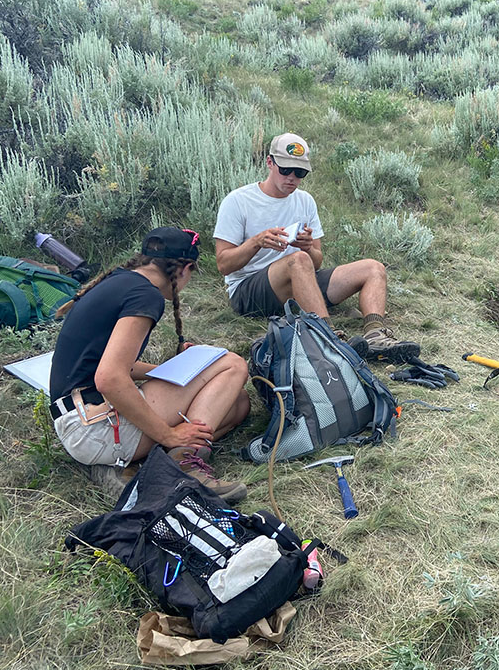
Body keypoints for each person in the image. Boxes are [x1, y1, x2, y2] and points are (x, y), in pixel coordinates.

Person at [49, 227, 250, 501]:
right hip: (94, 427)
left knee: (237, 404)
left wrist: (177, 371)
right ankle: (184, 463)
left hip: (77, 422)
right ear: (184, 268)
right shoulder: (146, 295)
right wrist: (169, 436)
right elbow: (109, 378)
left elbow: (117, 365)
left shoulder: (121, 282)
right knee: (232, 364)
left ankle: (130, 466)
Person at [213, 132, 419, 360]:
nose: (292, 178)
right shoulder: (238, 201)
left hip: (301, 279)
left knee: (373, 267)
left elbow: (317, 260)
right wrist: (256, 242)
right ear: (270, 163)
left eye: (300, 173)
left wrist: (308, 247)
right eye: (285, 170)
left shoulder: (305, 200)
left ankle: (377, 336)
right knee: (298, 261)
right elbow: (223, 264)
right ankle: (328, 338)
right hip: (248, 290)